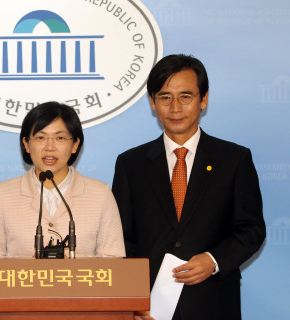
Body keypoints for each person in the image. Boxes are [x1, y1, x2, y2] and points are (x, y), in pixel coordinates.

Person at [112, 54, 266, 320]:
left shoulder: (234, 159)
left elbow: (251, 229)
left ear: (203, 100)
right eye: (164, 97)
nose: (175, 108)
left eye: (185, 96)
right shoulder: (131, 164)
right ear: (152, 102)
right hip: (150, 309)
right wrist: (134, 302)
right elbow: (121, 241)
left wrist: (214, 260)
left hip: (214, 303)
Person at [0, 101, 125, 258]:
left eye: (60, 138)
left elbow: (113, 259)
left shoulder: (100, 194)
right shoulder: (3, 194)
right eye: (40, 137)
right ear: (26, 144)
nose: (49, 147)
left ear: (75, 144)